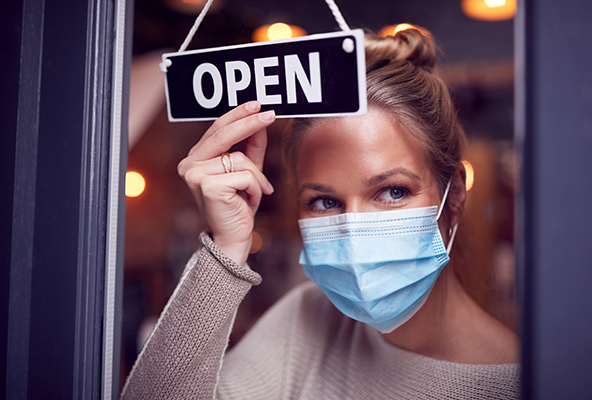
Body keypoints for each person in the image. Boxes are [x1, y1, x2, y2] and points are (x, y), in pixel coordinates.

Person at [121, 26, 520, 399]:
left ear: (454, 198)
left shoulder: (523, 384)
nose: (355, 231)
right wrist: (225, 251)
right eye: (325, 202)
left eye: (392, 191)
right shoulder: (307, 319)